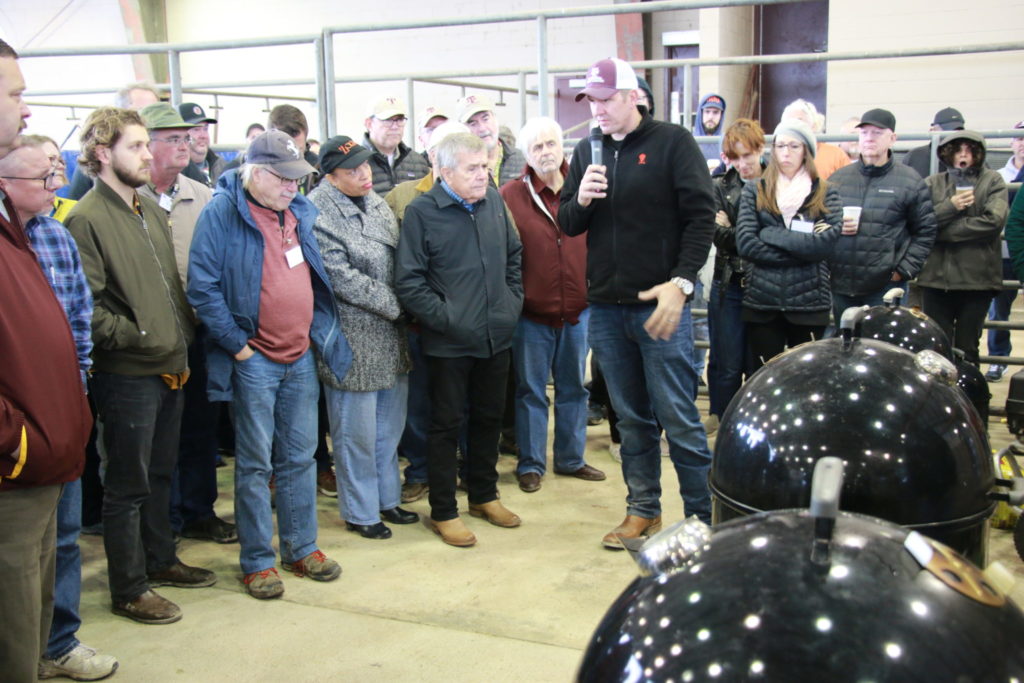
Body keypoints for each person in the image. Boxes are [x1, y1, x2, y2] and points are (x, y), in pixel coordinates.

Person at [66, 106, 215, 626]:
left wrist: (177, 337)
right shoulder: (87, 217)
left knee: (158, 473)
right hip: (127, 373)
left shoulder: (146, 209)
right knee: (126, 485)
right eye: (136, 146)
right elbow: (88, 309)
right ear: (102, 153)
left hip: (169, 362)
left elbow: (170, 288)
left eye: (146, 145)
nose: (148, 154)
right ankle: (129, 588)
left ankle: (161, 560)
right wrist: (143, 336)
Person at [559, 57, 715, 548]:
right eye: (592, 101)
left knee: (679, 418)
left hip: (659, 305)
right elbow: (567, 224)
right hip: (605, 308)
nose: (598, 110)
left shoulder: (672, 143)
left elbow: (701, 217)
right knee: (630, 419)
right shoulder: (588, 150)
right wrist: (580, 198)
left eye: (606, 100)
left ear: (633, 97)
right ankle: (643, 510)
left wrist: (683, 281)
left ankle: (701, 519)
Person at [187, 130, 348, 599]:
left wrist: (314, 333)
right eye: (283, 178)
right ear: (255, 174)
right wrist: (239, 346)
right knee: (256, 465)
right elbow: (202, 287)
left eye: (297, 178)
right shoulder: (222, 212)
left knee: (299, 458)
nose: (292, 186)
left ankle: (301, 548)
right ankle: (258, 560)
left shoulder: (297, 212)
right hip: (254, 359)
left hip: (299, 354)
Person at [0, 137, 118, 681]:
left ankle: (58, 643)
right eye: (42, 179)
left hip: (61, 417)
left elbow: (75, 320)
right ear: (5, 186)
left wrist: (75, 396)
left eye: (54, 175)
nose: (54, 187)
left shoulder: (53, 235)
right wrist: (19, 435)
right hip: (22, 436)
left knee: (59, 542)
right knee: (18, 564)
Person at [0, 40, 94, 682]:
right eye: (14, 92)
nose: (26, 107)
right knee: (12, 588)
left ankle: (45, 655)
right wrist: (19, 440)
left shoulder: (34, 232)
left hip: (44, 443)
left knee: (33, 579)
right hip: (18, 453)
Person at [395, 132, 524, 548]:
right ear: (444, 171)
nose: (482, 174)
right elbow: (409, 282)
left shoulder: (494, 203)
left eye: (485, 166)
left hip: (495, 335)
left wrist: (509, 305)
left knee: (489, 418)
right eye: (472, 168)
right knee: (445, 425)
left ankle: (484, 495)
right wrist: (447, 319)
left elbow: (514, 256)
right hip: (448, 343)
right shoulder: (422, 212)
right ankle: (444, 510)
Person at [137, 103, 236, 545]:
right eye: (172, 139)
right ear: (146, 147)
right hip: (148, 339)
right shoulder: (128, 197)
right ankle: (163, 522)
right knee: (157, 438)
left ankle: (199, 510)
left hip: (198, 331)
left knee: (199, 426)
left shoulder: (202, 195)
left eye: (186, 137)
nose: (185, 144)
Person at [309, 135, 417, 540]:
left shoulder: (373, 200)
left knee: (388, 429)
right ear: (331, 177)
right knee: (355, 434)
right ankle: (360, 510)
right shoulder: (318, 210)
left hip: (391, 335)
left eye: (366, 165)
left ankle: (387, 499)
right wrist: (397, 304)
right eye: (352, 169)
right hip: (353, 337)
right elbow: (339, 276)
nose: (364, 173)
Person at [498, 117, 605, 493]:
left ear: (563, 147)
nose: (545, 152)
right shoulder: (510, 195)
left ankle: (571, 459)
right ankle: (530, 464)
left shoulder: (585, 185)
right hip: (531, 315)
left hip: (579, 312)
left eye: (550, 144)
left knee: (575, 387)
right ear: (527, 155)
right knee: (530, 391)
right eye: (537, 147)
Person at [384, 120, 470, 504]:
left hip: (465, 324)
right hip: (419, 322)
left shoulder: (482, 194)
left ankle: (466, 469)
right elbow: (390, 256)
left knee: (462, 401)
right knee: (418, 403)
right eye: (439, 148)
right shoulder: (402, 197)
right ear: (432, 156)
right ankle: (420, 472)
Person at [735, 119, 842, 368]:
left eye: (794, 146)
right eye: (781, 145)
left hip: (809, 304)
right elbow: (747, 244)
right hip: (763, 301)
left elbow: (824, 246)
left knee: (806, 377)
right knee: (762, 376)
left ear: (807, 151)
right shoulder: (755, 190)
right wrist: (803, 247)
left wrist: (770, 233)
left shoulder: (826, 192)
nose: (786, 152)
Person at [827, 108, 937, 324]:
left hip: (885, 286)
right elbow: (821, 223)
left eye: (877, 133)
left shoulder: (910, 181)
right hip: (840, 285)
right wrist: (836, 227)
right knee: (844, 345)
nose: (869, 138)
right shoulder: (838, 179)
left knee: (884, 345)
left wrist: (903, 270)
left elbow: (925, 230)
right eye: (864, 132)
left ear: (892, 138)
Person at [918, 131, 1009, 366]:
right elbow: (921, 222)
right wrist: (949, 207)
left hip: (977, 281)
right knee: (938, 346)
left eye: (969, 150)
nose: (963, 155)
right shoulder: (933, 183)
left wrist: (945, 233)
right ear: (948, 153)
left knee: (968, 347)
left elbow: (993, 221)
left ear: (978, 153)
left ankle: (971, 398)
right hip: (936, 281)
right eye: (958, 150)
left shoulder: (993, 181)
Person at [705, 118, 765, 433]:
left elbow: (772, 238)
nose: (742, 164)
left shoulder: (780, 184)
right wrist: (754, 234)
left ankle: (752, 422)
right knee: (725, 362)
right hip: (728, 283)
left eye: (747, 155)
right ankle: (722, 418)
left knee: (759, 362)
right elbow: (718, 235)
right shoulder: (719, 186)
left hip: (765, 286)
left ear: (760, 150)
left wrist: (736, 229)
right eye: (735, 157)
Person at [65, 82, 161, 200]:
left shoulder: (162, 154)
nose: (148, 118)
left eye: (155, 111)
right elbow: (74, 203)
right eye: (140, 111)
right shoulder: (95, 162)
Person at [986, 119, 1024, 381]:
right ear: (1012, 142)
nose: (1023, 143)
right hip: (1003, 253)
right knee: (998, 310)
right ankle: (998, 358)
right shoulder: (998, 176)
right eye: (1019, 137)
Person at [456, 93, 527, 187]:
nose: (482, 128)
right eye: (473, 124)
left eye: (485, 119)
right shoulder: (459, 167)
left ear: (495, 118)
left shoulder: (523, 159)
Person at [362, 96, 430, 194]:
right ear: (369, 124)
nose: (395, 126)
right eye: (387, 120)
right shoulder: (356, 164)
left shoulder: (418, 162)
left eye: (400, 120)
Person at [780, 99, 850, 179]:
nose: (794, 126)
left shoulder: (836, 155)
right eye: (789, 122)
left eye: (799, 121)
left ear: (814, 125)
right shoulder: (778, 155)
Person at [902, 106, 966, 179]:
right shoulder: (914, 156)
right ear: (933, 130)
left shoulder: (967, 157)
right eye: (947, 130)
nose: (952, 136)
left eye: (958, 131)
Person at [178, 102, 226, 186]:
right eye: (196, 129)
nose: (203, 135)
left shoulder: (222, 167)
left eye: (205, 129)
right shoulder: (177, 172)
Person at [694, 93, 725, 162]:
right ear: (701, 113)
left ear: (721, 115)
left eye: (715, 112)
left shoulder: (726, 143)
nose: (710, 117)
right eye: (707, 112)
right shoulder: (689, 140)